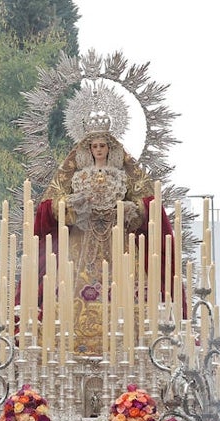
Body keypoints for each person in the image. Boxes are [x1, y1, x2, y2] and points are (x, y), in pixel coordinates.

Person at [33, 119, 174, 355]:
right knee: (69, 293)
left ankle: (131, 347)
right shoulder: (76, 176)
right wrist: (71, 206)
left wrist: (131, 209)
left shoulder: (123, 175)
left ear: (111, 148)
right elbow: (50, 207)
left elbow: (150, 207)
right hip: (81, 244)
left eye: (102, 145)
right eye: (94, 146)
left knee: (129, 293)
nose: (99, 150)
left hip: (119, 244)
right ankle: (69, 350)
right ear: (88, 150)